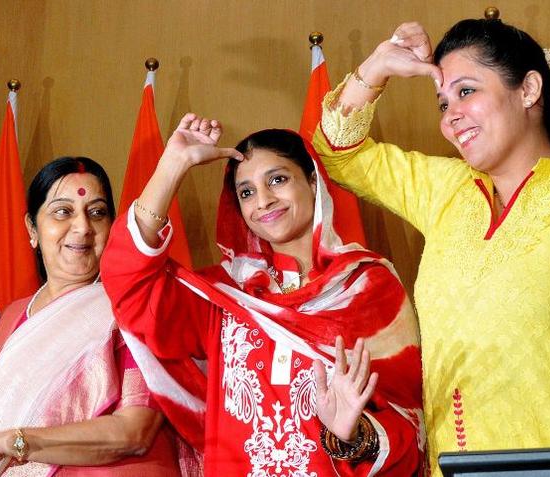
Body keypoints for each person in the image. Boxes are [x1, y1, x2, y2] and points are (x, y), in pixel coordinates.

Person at [311, 17, 550, 477]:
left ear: (528, 89)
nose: (450, 116)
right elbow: (337, 152)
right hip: (458, 464)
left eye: (467, 92)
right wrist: (375, 69)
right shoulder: (444, 189)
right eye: (443, 103)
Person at [100, 113, 425, 476]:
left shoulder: (368, 287)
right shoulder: (225, 295)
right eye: (247, 192)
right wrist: (172, 166)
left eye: (278, 179)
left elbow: (409, 422)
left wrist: (352, 433)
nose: (263, 201)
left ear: (313, 181)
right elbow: (129, 284)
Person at [0, 157, 181, 476]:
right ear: (32, 228)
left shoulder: (132, 308)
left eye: (97, 212)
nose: (82, 227)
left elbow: (135, 433)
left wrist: (12, 441)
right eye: (63, 211)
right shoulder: (12, 316)